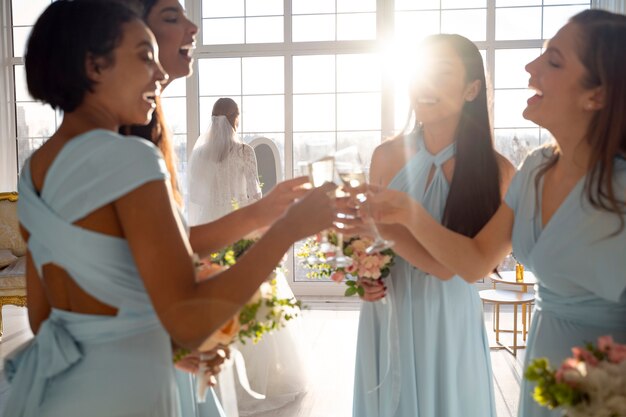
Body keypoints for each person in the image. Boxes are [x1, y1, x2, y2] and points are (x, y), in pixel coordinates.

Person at [3, 2, 335, 416]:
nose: (159, 73)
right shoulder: (132, 159)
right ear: (94, 66)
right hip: (132, 393)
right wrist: (287, 230)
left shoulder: (35, 168)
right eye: (145, 57)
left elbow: (40, 316)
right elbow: (188, 320)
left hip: (59, 391)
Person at [366, 10, 626, 417]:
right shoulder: (535, 169)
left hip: (607, 381)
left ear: (597, 95)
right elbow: (474, 263)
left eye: (553, 60)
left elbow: (455, 270)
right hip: (545, 370)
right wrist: (399, 220)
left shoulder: (614, 186)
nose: (530, 66)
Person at [351, 34, 515, 417]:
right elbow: (366, 241)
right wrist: (363, 272)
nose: (424, 87)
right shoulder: (386, 155)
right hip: (385, 311)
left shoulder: (498, 172)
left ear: (472, 88)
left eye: (441, 74)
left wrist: (386, 227)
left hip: (446, 319)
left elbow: (448, 267)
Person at [189, 98, 309, 415]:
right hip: (239, 231)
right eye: (237, 117)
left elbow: (196, 202)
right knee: (254, 302)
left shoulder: (199, 154)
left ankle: (216, 376)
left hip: (210, 233)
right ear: (232, 118)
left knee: (219, 303)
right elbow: (254, 197)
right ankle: (264, 379)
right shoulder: (244, 152)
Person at [188, 97, 261, 225]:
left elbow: (195, 196)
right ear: (235, 119)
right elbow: (255, 194)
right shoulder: (244, 151)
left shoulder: (200, 153)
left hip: (208, 220)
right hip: (237, 218)